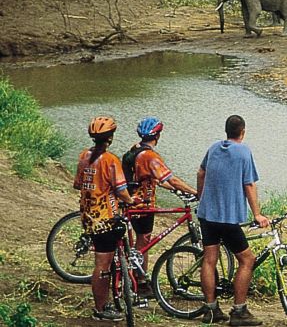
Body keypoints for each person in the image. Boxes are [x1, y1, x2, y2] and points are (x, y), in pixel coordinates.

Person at [195, 115, 269, 326]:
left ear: (227, 131)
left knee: (209, 259)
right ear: (242, 132)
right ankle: (239, 311)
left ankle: (210, 310)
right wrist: (257, 214)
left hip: (207, 215)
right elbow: (249, 185)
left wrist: (202, 199)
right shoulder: (244, 152)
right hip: (227, 219)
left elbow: (201, 173)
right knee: (247, 260)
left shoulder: (214, 148)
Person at [124, 116, 200, 298]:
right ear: (157, 136)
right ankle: (141, 283)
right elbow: (170, 178)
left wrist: (175, 190)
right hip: (142, 205)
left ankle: (137, 275)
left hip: (130, 201)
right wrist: (195, 192)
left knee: (141, 242)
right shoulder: (150, 156)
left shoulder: (134, 150)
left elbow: (156, 179)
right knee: (144, 242)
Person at [73, 116, 136, 322]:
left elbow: (77, 184)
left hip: (88, 215)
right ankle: (101, 309)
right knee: (103, 265)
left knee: (103, 261)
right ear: (110, 137)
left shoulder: (84, 156)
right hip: (105, 217)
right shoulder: (110, 160)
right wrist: (132, 200)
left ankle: (104, 302)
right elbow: (121, 190)